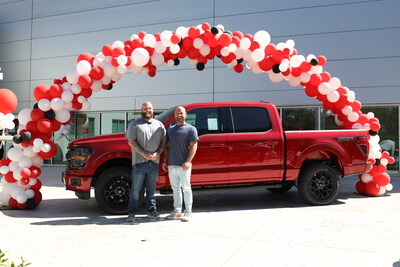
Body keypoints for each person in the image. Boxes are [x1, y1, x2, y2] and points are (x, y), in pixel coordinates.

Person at [125, 101, 166, 223]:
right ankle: (132, 213)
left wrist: (157, 154)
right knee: (135, 190)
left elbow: (164, 143)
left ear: (153, 110)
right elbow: (131, 142)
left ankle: (152, 211)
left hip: (154, 163)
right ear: (141, 110)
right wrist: (144, 154)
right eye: (144, 108)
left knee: (151, 189)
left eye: (149, 108)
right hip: (139, 163)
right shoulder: (134, 124)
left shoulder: (159, 125)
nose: (147, 110)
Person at [162, 106, 198, 222]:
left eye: (181, 113)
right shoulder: (171, 129)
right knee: (175, 189)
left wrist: (188, 161)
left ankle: (188, 212)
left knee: (186, 188)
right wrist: (164, 161)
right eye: (177, 113)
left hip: (184, 165)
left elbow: (194, 146)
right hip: (172, 165)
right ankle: (177, 211)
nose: (179, 115)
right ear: (175, 115)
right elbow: (167, 147)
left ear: (185, 114)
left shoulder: (191, 129)